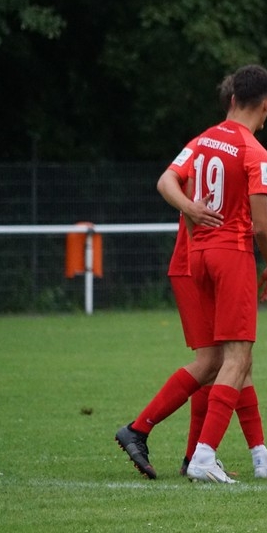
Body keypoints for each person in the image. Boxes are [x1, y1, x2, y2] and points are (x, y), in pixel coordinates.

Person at [113, 75, 241, 480]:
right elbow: (166, 180)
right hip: (193, 263)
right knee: (213, 360)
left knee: (216, 361)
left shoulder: (227, 146)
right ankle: (139, 429)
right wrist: (191, 207)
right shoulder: (206, 143)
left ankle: (191, 456)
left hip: (206, 263)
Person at [165, 63, 267, 483]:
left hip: (197, 256)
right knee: (235, 358)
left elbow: (165, 181)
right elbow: (260, 225)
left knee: (234, 358)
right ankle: (203, 455)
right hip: (231, 255)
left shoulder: (202, 139)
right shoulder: (255, 151)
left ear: (232, 98)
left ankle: (259, 456)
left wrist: (190, 208)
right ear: (265, 106)